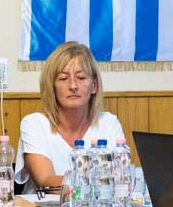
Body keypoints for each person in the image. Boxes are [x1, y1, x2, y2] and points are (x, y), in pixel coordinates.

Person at [17, 41, 124, 191]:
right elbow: (46, 180)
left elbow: (120, 177)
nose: (73, 86)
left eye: (81, 77)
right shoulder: (34, 123)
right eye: (63, 78)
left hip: (98, 205)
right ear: (51, 87)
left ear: (94, 85)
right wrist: (95, 181)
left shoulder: (109, 122)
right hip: (44, 206)